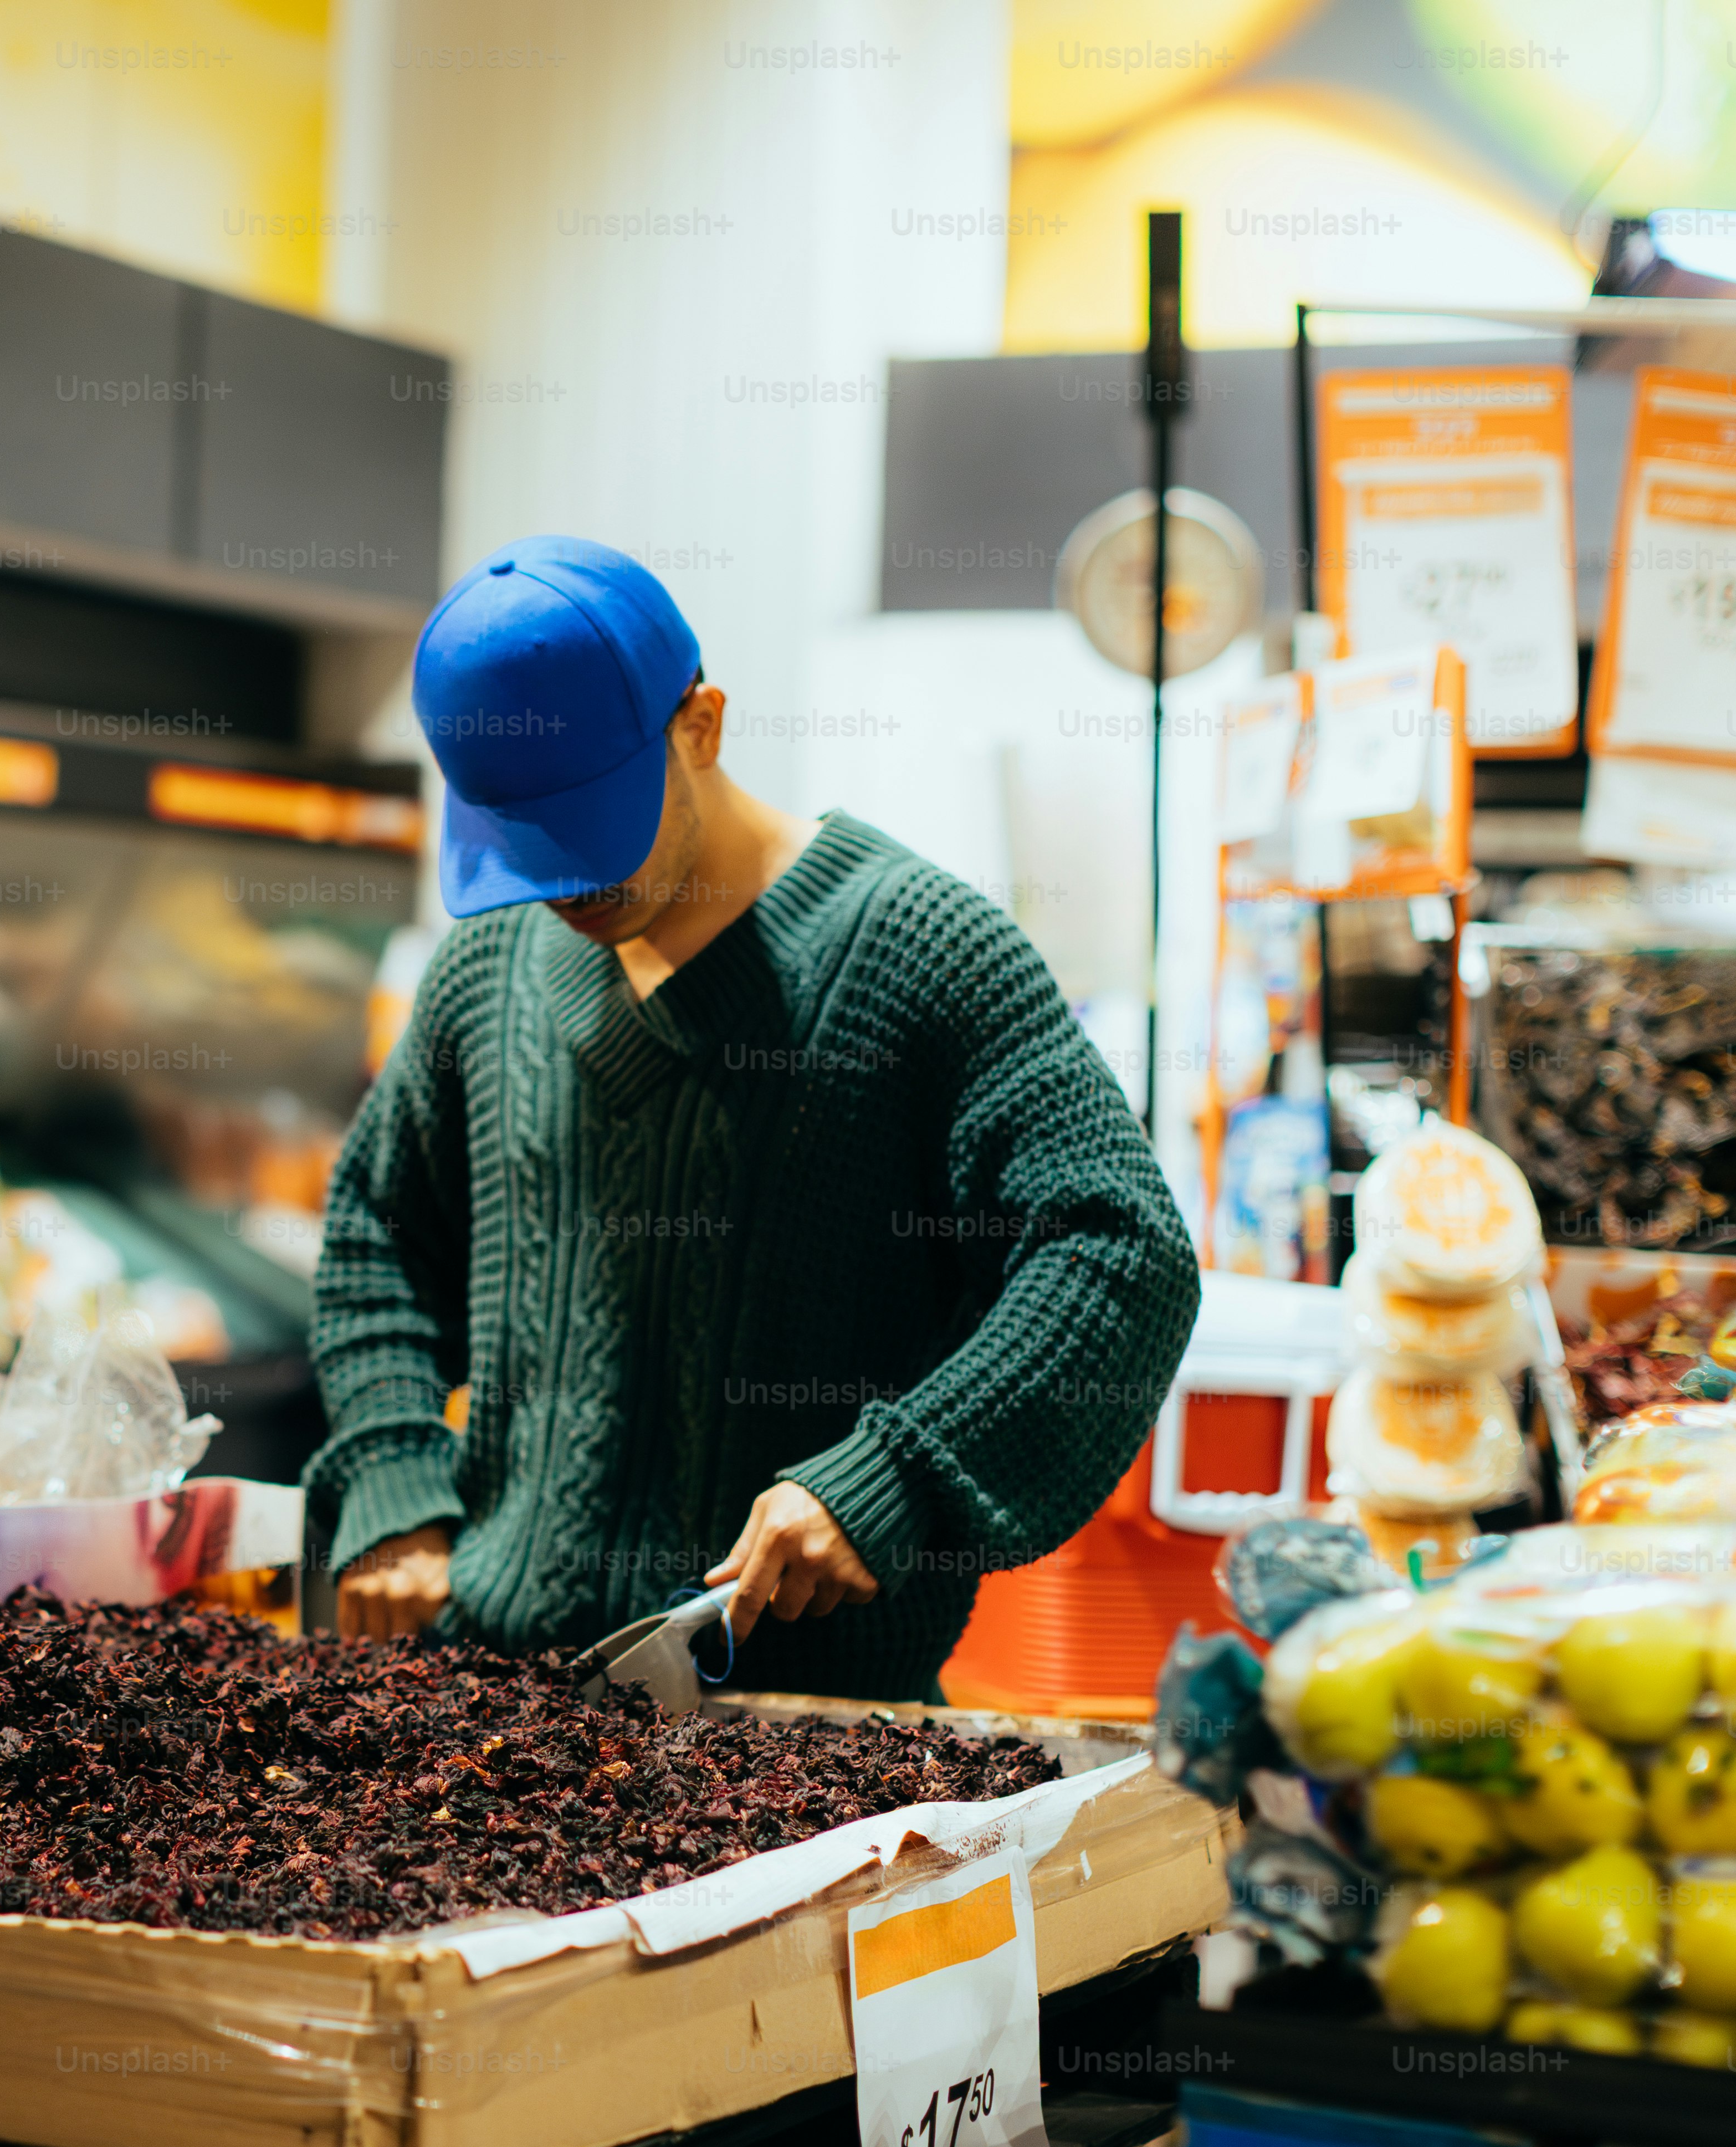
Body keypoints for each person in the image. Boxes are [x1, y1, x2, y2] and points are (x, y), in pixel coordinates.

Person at [305, 535, 1199, 1700]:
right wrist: (391, 1485)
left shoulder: (922, 953)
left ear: (701, 724)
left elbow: (1118, 1249)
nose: (563, 886)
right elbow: (375, 1232)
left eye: (588, 825)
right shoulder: (485, 971)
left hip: (805, 1738)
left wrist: (890, 1477)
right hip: (491, 1714)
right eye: (519, 840)